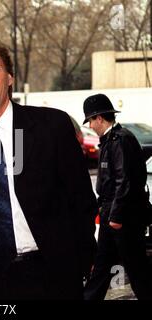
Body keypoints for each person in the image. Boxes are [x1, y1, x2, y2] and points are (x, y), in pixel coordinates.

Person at [0, 38, 98, 299]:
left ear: (9, 78)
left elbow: (82, 199)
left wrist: (81, 260)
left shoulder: (52, 126)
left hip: (51, 275)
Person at [82, 93, 152, 300]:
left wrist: (115, 217)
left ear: (99, 118)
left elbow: (125, 181)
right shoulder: (110, 140)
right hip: (111, 215)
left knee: (136, 267)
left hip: (122, 219)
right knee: (102, 267)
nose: (91, 126)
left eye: (91, 121)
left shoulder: (120, 140)